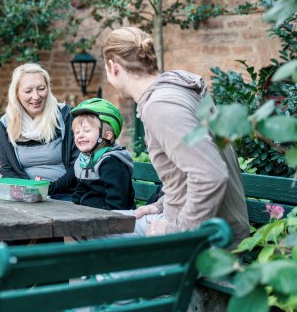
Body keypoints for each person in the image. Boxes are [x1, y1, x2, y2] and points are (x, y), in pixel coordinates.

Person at [102, 26, 249, 242]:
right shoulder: (176, 91)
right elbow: (188, 173)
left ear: (113, 68)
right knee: (83, 226)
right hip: (195, 224)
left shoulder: (161, 105)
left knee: (80, 235)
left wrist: (176, 230)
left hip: (208, 240)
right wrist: (161, 204)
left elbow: (211, 174)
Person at [0, 62, 78, 201]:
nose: (36, 96)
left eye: (41, 88)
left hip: (64, 194)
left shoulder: (65, 116)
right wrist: (29, 190)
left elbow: (78, 164)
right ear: (16, 93)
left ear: (48, 88)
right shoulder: (5, 125)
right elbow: (7, 169)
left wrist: (48, 189)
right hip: (25, 196)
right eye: (28, 91)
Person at [70, 98, 136, 211]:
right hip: (89, 213)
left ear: (107, 135)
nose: (80, 135)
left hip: (114, 217)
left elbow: (117, 203)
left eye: (86, 131)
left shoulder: (112, 163)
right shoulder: (84, 160)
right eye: (77, 132)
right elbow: (81, 191)